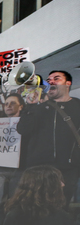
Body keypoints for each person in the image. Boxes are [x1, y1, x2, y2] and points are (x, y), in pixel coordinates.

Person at [16, 70, 80, 205]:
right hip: (38, 168)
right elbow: (23, 129)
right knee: (35, 206)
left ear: (68, 84)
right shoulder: (38, 108)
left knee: (61, 207)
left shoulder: (77, 106)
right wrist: (31, 106)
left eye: (56, 78)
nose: (51, 81)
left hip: (68, 169)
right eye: (49, 79)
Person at [0, 93, 26, 225]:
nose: (8, 106)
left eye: (13, 103)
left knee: (15, 205)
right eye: (6, 103)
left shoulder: (27, 124)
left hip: (19, 169)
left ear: (21, 106)